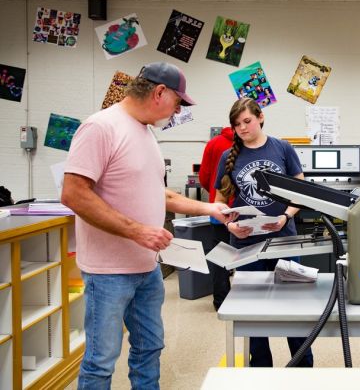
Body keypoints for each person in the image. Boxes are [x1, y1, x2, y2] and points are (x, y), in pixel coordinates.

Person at [61, 62, 234, 389]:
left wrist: (210, 207)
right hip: (108, 273)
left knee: (150, 347)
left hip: (146, 269)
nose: (178, 110)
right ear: (159, 93)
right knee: (101, 360)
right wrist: (137, 230)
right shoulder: (101, 127)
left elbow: (160, 193)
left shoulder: (145, 132)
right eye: (178, 102)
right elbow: (73, 194)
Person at [214, 97, 313, 368]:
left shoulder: (282, 148)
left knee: (294, 308)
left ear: (260, 117)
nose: (242, 128)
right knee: (254, 314)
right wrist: (229, 224)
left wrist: (284, 217)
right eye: (237, 125)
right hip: (246, 245)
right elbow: (220, 200)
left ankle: (303, 368)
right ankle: (260, 370)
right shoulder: (228, 156)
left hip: (284, 240)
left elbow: (300, 192)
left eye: (247, 121)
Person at [199, 126, 234, 311]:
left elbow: (204, 176)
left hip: (220, 211)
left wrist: (214, 194)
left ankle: (221, 301)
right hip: (245, 214)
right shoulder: (252, 144)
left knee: (220, 258)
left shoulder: (213, 143)